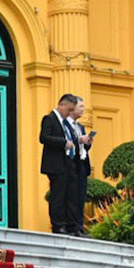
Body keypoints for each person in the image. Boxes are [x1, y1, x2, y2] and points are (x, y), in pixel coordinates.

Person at [39, 94, 83, 236]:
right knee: (57, 195)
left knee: (70, 194)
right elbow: (43, 137)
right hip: (55, 164)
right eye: (69, 110)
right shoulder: (49, 119)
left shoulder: (65, 124)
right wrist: (63, 143)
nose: (69, 113)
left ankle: (72, 225)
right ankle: (58, 225)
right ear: (62, 105)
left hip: (67, 163)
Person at [70, 101, 97, 233]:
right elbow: (66, 143)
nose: (83, 110)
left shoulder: (80, 127)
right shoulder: (65, 125)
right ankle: (72, 226)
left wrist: (88, 143)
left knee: (81, 197)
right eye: (80, 107)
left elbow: (84, 148)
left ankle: (80, 227)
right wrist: (78, 140)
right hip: (71, 165)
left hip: (82, 165)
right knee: (72, 198)